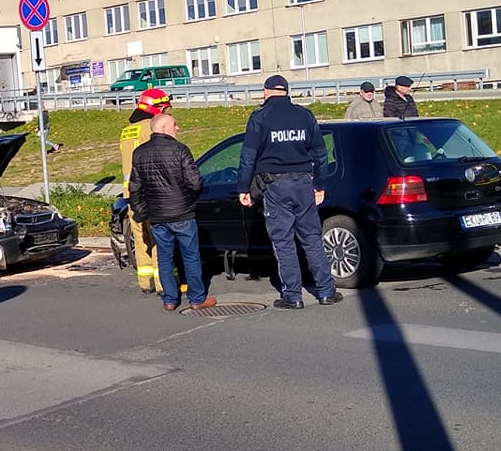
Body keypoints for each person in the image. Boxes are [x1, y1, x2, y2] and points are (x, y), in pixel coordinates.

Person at [237, 75, 342, 310]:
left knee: (283, 241)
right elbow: (321, 155)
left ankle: (293, 296)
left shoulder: (260, 117)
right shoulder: (304, 115)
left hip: (275, 186)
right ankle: (326, 291)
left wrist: (243, 188)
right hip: (304, 182)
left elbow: (247, 157)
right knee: (312, 239)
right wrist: (320, 186)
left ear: (266, 92)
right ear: (286, 91)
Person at [129, 113, 216, 313]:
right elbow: (195, 182)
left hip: (158, 216)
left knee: (165, 258)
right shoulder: (179, 149)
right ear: (164, 128)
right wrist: (191, 200)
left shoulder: (140, 153)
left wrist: (141, 210)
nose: (178, 128)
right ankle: (197, 298)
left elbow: (135, 187)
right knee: (191, 257)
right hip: (182, 213)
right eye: (174, 125)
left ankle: (170, 299)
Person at [119, 87, 171, 293]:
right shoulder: (150, 128)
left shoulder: (127, 130)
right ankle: (162, 284)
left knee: (140, 238)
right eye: (165, 108)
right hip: (150, 193)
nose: (167, 113)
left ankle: (145, 282)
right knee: (159, 237)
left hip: (130, 195)